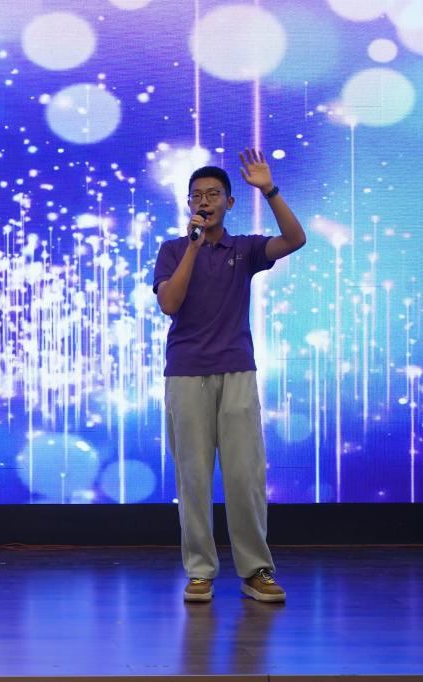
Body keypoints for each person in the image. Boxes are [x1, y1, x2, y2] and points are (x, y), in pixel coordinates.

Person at [152, 148, 306, 603]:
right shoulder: (173, 249)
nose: (205, 201)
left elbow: (295, 239)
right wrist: (193, 246)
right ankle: (200, 571)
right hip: (186, 374)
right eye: (197, 195)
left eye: (214, 194)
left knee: (244, 477)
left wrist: (270, 190)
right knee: (193, 478)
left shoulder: (245, 248)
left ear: (230, 202)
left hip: (237, 370)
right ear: (188, 204)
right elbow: (169, 303)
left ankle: (256, 570)